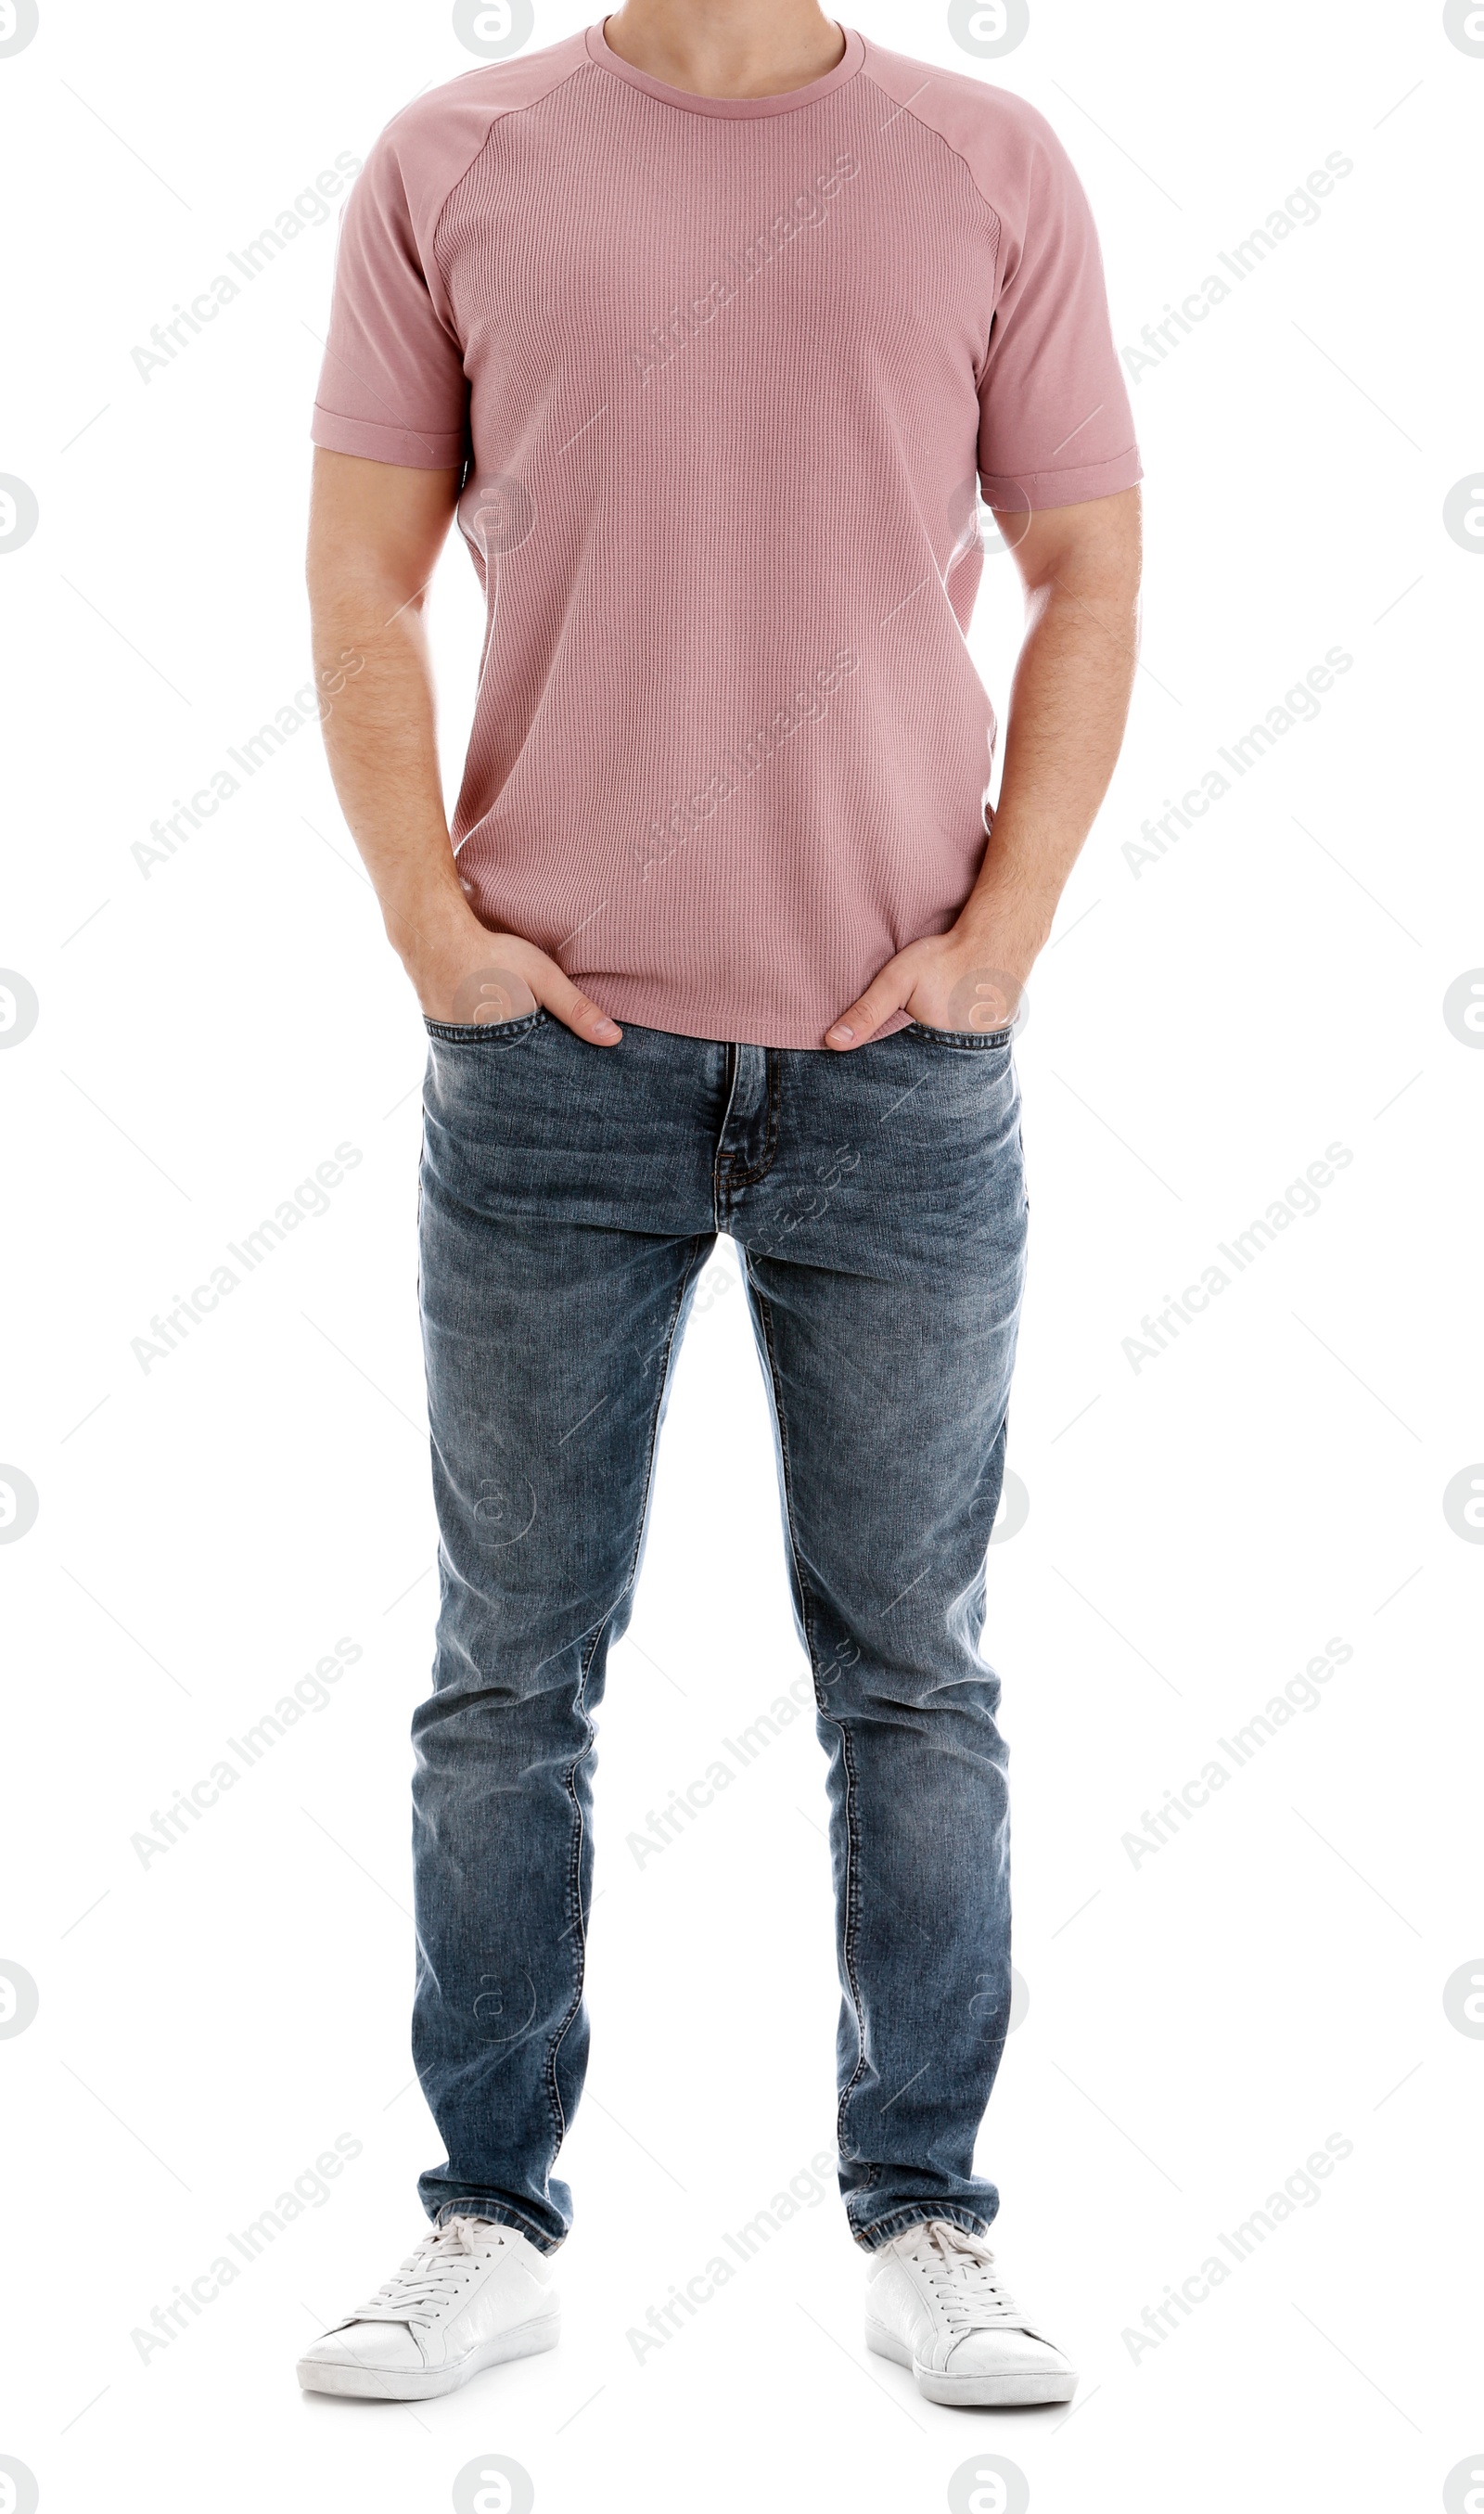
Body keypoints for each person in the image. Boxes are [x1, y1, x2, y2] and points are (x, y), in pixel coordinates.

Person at [298, 0, 1142, 2410]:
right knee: (505, 1678)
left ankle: (932, 2215)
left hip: (900, 1068)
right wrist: (430, 938)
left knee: (917, 1673)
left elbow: (1090, 562)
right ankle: (485, 2215)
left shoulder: (988, 159)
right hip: (553, 1058)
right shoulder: (453, 155)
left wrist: (1007, 940)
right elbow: (364, 575)